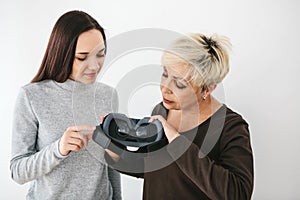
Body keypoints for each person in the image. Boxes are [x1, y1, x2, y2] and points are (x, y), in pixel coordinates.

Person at [104, 33, 254, 199]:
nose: (165, 88)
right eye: (165, 74)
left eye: (180, 83)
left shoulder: (231, 128)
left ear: (208, 89)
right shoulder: (161, 110)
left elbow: (239, 193)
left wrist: (176, 140)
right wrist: (114, 151)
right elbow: (151, 169)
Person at [10, 10, 121, 199]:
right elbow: (18, 172)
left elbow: (111, 167)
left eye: (100, 54)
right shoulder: (32, 96)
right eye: (82, 57)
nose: (94, 66)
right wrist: (59, 149)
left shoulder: (107, 95)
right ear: (63, 53)